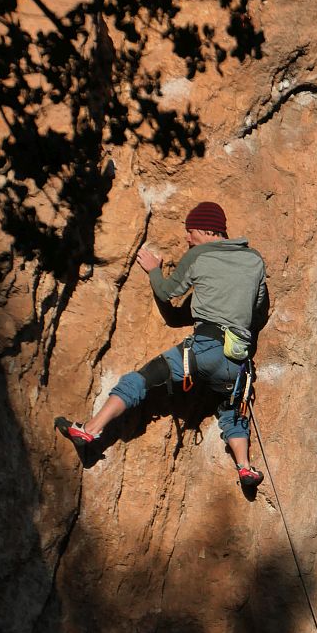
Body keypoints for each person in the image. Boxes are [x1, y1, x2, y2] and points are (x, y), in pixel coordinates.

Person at [55, 201, 268, 488]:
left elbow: (169, 292)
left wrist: (155, 270)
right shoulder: (254, 259)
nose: (187, 238)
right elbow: (257, 306)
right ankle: (244, 467)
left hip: (203, 349)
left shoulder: (199, 256)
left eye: (190, 231)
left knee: (140, 379)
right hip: (237, 360)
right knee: (232, 411)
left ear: (205, 230)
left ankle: (90, 430)